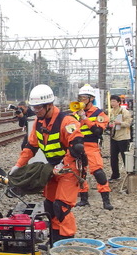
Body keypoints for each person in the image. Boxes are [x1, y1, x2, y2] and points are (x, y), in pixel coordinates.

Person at [8, 84, 86, 242]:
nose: (36, 111)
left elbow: (77, 146)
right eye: (34, 108)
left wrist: (63, 164)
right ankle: (54, 240)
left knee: (61, 207)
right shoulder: (39, 122)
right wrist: (18, 165)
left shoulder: (67, 121)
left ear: (49, 105)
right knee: (49, 206)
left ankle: (67, 241)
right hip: (52, 168)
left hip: (69, 169)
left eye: (38, 108)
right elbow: (31, 147)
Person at [72, 85, 113, 210]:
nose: (81, 100)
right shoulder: (75, 113)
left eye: (84, 97)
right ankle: (84, 199)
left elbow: (97, 132)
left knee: (98, 172)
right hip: (77, 145)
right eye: (80, 97)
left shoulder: (99, 114)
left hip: (91, 145)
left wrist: (85, 118)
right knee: (79, 172)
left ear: (91, 99)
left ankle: (106, 201)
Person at [107, 95, 132, 181]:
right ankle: (115, 174)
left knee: (125, 156)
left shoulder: (124, 111)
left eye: (114, 101)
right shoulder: (111, 112)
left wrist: (119, 123)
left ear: (118, 102)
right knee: (113, 157)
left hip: (123, 137)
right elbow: (110, 122)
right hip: (114, 136)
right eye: (111, 101)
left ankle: (129, 173)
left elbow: (128, 123)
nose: (112, 103)